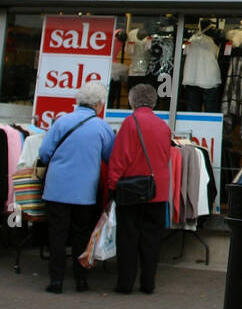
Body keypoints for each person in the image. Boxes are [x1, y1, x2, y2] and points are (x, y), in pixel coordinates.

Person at [39, 80, 115, 294]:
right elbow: (109, 156)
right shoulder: (102, 127)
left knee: (57, 235)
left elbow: (44, 152)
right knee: (81, 235)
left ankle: (56, 281)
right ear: (99, 104)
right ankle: (81, 280)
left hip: (56, 188)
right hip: (85, 191)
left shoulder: (62, 122)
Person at [107, 83, 172, 295]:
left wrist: (112, 184)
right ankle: (148, 283)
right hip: (158, 189)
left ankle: (125, 283)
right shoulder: (164, 126)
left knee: (128, 238)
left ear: (132, 100)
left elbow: (120, 157)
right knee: (151, 239)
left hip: (132, 189)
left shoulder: (130, 122)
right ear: (153, 101)